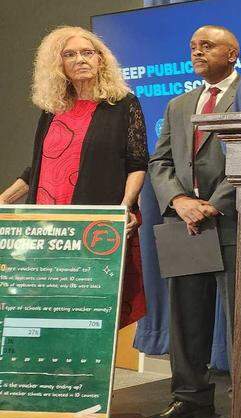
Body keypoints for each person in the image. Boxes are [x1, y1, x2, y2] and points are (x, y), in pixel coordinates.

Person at [0, 26, 147, 327]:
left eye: (87, 52)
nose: (80, 59)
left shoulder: (123, 104)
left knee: (87, 304)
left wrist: (126, 206)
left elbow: (136, 162)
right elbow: (36, 167)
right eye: (70, 54)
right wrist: (4, 199)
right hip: (45, 226)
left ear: (100, 59)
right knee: (45, 302)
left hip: (91, 223)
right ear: (59, 65)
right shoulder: (52, 110)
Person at [142, 25, 240, 418]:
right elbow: (159, 160)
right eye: (193, 47)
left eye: (207, 45)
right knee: (186, 318)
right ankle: (190, 398)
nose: (197, 52)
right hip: (185, 223)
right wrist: (179, 200)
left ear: (233, 53)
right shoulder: (180, 103)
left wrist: (215, 203)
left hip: (233, 220)